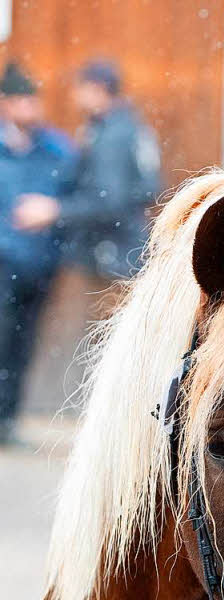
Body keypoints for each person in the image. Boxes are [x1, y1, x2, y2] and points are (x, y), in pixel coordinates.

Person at [14, 59, 161, 281]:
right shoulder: (120, 125)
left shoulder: (113, 136)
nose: (74, 96)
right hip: (118, 251)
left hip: (111, 254)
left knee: (95, 314)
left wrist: (55, 210)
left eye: (79, 88)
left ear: (97, 88)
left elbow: (109, 201)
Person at [0, 62, 73, 445]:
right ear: (6, 104)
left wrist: (51, 214)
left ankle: (8, 420)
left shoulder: (55, 149)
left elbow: (72, 196)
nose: (30, 107)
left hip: (39, 266)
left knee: (22, 345)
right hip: (4, 263)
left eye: (33, 98)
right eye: (22, 100)